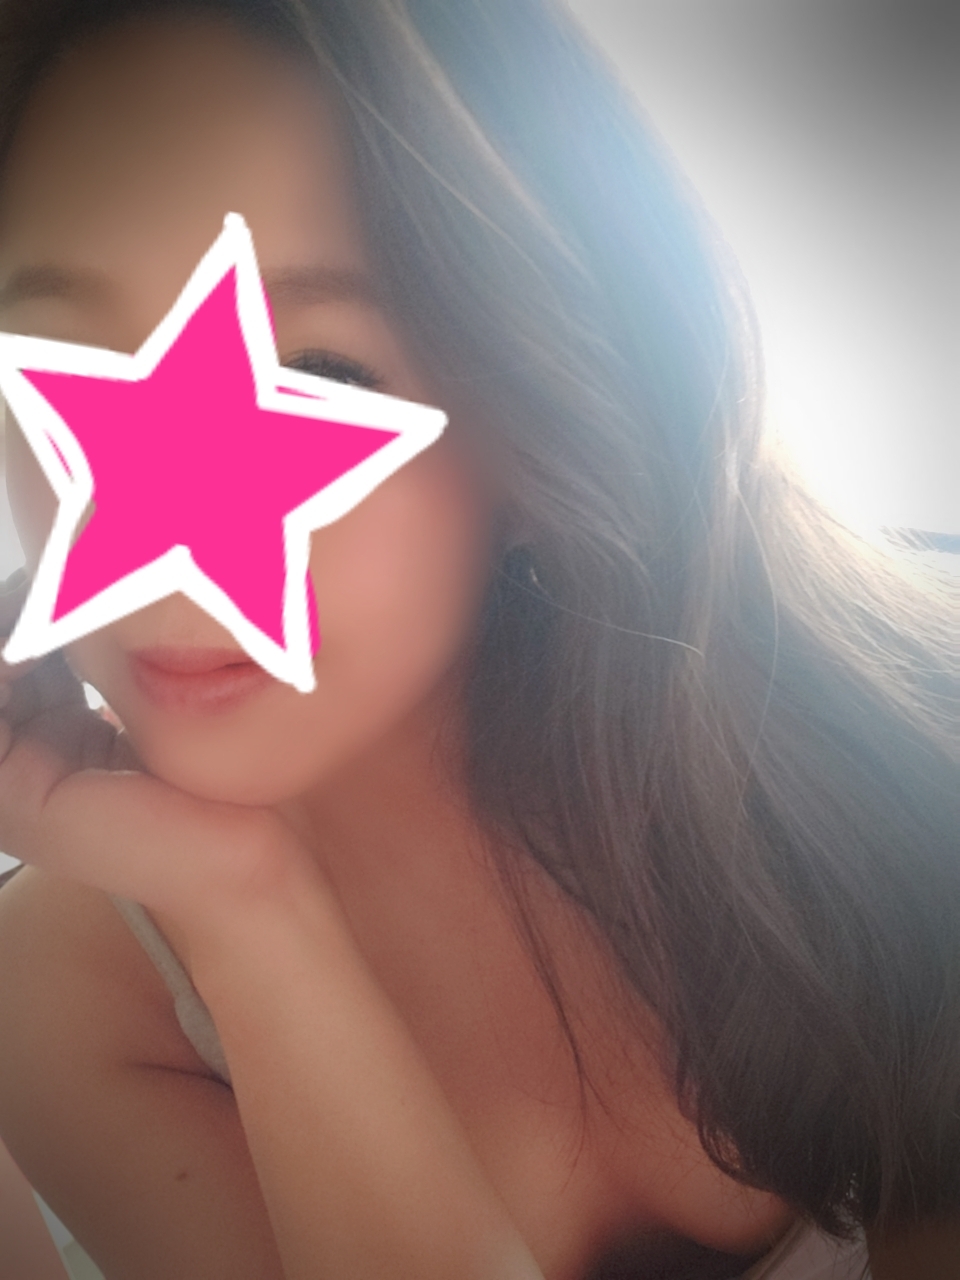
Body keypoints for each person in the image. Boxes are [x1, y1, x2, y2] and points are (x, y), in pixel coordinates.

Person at [0, 1, 956, 1277]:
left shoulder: (858, 733)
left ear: (538, 410)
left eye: (325, 370)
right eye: (57, 365)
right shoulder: (57, 1001)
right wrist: (247, 913)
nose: (166, 526)